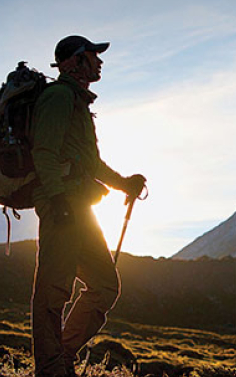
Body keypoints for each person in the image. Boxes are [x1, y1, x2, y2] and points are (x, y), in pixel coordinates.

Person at [30, 35, 146, 377]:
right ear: (74, 62)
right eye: (93, 55)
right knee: (53, 292)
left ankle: (61, 360)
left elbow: (91, 164)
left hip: (80, 208)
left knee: (105, 286)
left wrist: (125, 184)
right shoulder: (58, 98)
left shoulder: (77, 103)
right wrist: (58, 200)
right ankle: (51, 371)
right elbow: (44, 154)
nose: (99, 61)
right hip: (63, 208)